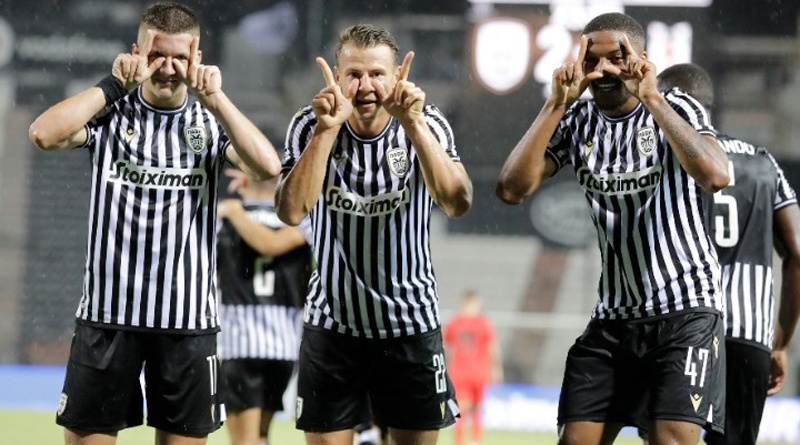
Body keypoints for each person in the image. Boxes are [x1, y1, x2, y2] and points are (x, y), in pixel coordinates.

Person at [27, 2, 281, 444]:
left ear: (196, 58)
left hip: (186, 324)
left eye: (180, 57)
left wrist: (216, 99)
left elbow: (267, 167)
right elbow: (43, 134)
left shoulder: (208, 122)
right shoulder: (111, 114)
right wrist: (112, 85)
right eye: (156, 55)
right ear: (136, 53)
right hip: (107, 319)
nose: (167, 67)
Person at [495, 12, 731, 445]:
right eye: (591, 60)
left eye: (616, 59)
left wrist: (652, 97)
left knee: (670, 440)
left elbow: (715, 175)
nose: (603, 70)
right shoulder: (576, 120)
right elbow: (512, 189)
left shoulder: (676, 106)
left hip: (685, 311)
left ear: (642, 59)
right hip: (614, 318)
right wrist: (555, 104)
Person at [275, 23, 473, 445]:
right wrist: (326, 131)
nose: (366, 86)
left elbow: (457, 203)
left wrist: (414, 125)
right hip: (332, 327)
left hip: (410, 326)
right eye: (354, 74)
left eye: (377, 74)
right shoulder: (310, 124)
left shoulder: (427, 123)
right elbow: (291, 211)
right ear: (337, 76)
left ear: (397, 76)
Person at [655, 63, 800, 445]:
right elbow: (798, 251)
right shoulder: (763, 161)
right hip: (748, 330)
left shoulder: (666, 159)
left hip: (679, 324)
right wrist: (781, 342)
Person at [216, 168, 312, 445]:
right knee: (260, 436)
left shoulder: (225, 218)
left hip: (239, 341)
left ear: (243, 181)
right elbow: (275, 244)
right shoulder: (301, 221)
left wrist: (234, 211)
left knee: (243, 440)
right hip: (283, 343)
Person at [443, 290, 503, 445]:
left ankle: (470, 441)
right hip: (468, 373)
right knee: (468, 409)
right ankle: (470, 441)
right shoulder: (481, 322)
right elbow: (492, 347)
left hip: (470, 373)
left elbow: (447, 349)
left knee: (470, 409)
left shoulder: (456, 322)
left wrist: (495, 369)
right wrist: (496, 369)